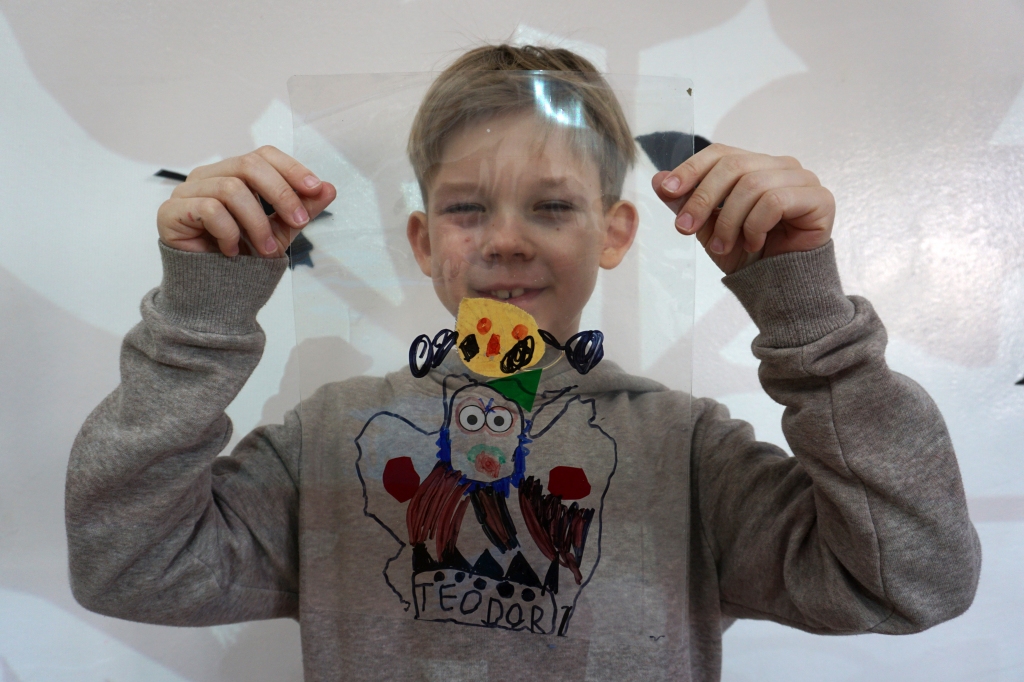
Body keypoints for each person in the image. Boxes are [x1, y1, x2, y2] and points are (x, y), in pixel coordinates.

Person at [66, 45, 981, 681]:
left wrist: (804, 310)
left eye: (551, 206)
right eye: (467, 209)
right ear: (423, 242)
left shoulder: (687, 449)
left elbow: (911, 580)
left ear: (615, 233)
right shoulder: (332, 436)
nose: (505, 240)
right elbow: (127, 564)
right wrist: (201, 313)